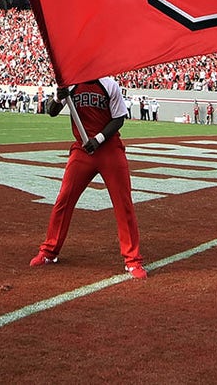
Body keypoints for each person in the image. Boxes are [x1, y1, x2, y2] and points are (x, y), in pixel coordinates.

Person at [30, 77, 146, 280]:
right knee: (64, 199)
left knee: (123, 204)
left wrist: (98, 139)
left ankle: (132, 260)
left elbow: (119, 119)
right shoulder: (71, 84)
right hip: (82, 150)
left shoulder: (109, 84)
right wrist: (59, 98)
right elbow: (51, 111)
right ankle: (49, 251)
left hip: (109, 149)